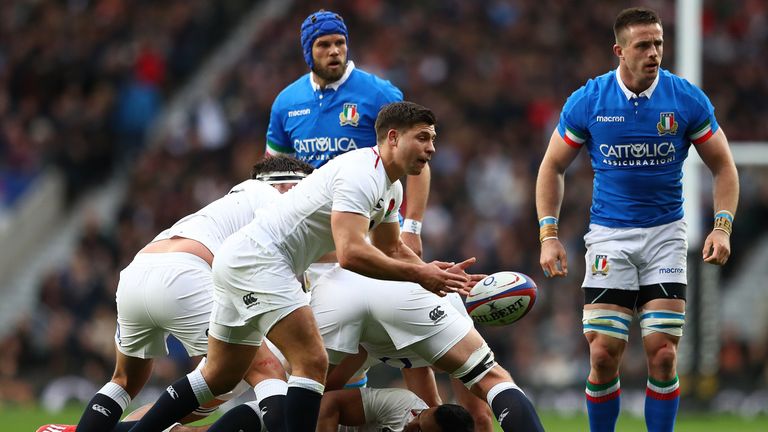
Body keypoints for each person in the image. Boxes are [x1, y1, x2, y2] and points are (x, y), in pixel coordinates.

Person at [126, 101, 477, 432]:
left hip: (242, 260)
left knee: (216, 376)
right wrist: (421, 275)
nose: (432, 148)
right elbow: (351, 254)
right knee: (312, 360)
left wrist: (436, 275)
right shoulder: (362, 173)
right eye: (423, 137)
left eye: (433, 139)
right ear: (393, 137)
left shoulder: (391, 188)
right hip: (262, 261)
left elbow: (390, 247)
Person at [535, 7, 739, 432]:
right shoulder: (589, 101)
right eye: (643, 45)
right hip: (610, 236)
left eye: (659, 44)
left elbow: (723, 165)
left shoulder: (684, 99)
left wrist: (722, 226)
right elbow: (552, 166)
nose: (654, 53)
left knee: (663, 354)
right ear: (619, 51)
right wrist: (548, 235)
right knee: (603, 354)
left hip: (666, 235)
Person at [36, 156, 314, 432]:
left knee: (124, 382)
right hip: (186, 276)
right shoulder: (275, 200)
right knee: (266, 371)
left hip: (138, 271)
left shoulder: (234, 202)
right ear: (287, 184)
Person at [265, 9, 429, 257]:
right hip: (315, 239)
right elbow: (273, 175)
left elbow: (419, 160)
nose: (334, 51)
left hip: (374, 230)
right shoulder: (287, 102)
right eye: (323, 45)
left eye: (339, 43)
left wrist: (413, 228)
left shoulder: (379, 95)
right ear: (308, 51)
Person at [309, 265, 545, 432]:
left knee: (310, 394)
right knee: (491, 378)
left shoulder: (396, 346)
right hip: (402, 300)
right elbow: (479, 418)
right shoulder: (444, 331)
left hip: (340, 297)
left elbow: (427, 409)